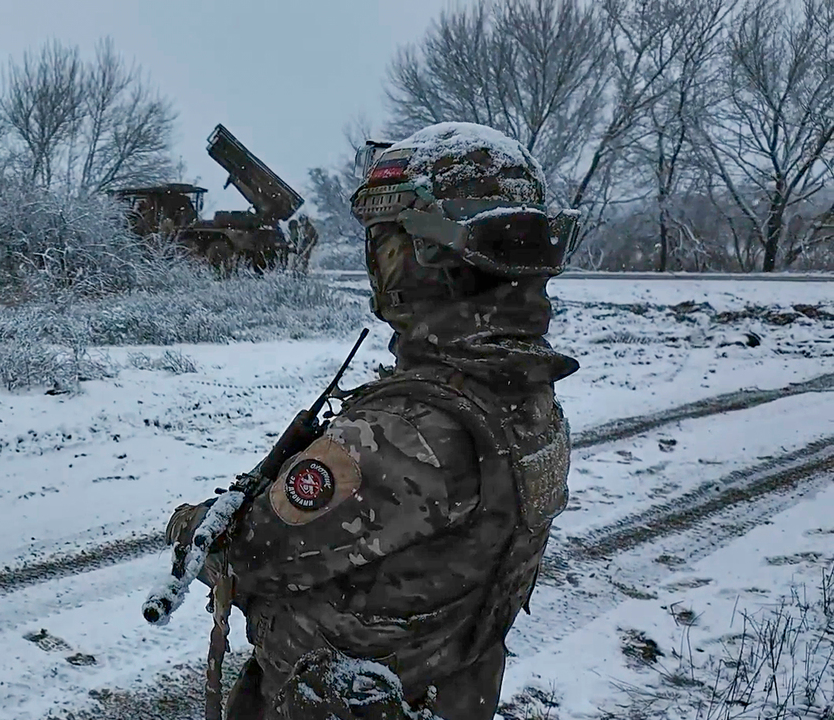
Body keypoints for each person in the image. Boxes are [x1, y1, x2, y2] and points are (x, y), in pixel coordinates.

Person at [166, 122, 580, 720]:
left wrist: (189, 526)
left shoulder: (403, 433)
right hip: (453, 692)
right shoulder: (525, 396)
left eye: (384, 241)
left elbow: (245, 554)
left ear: (423, 254)